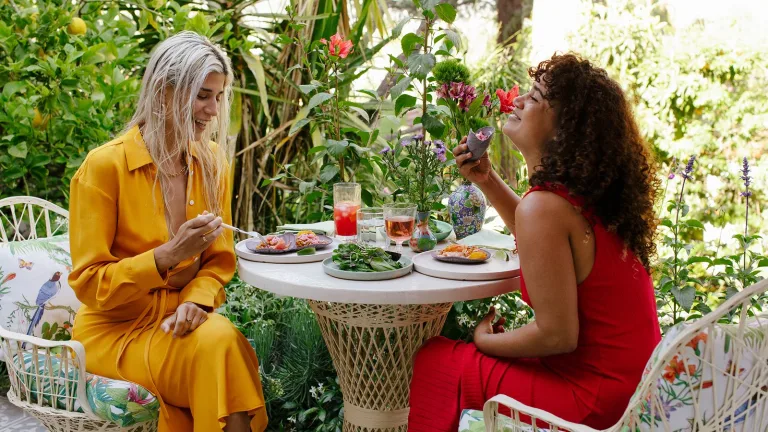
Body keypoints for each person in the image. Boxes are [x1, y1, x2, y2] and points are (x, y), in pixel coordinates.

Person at [408, 53, 662, 430]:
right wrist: (488, 180)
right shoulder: (583, 199)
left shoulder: (545, 207)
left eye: (536, 97)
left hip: (596, 402)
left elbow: (557, 336)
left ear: (563, 130)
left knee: (438, 361)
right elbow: (541, 238)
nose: (519, 100)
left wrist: (484, 341)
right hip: (635, 392)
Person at [68, 31, 267, 432]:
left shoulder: (212, 164)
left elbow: (219, 261)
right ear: (162, 92)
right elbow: (89, 284)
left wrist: (196, 300)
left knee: (220, 340)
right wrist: (167, 257)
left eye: (218, 97)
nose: (213, 110)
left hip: (179, 324)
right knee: (220, 350)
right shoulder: (104, 168)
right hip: (114, 333)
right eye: (202, 95)